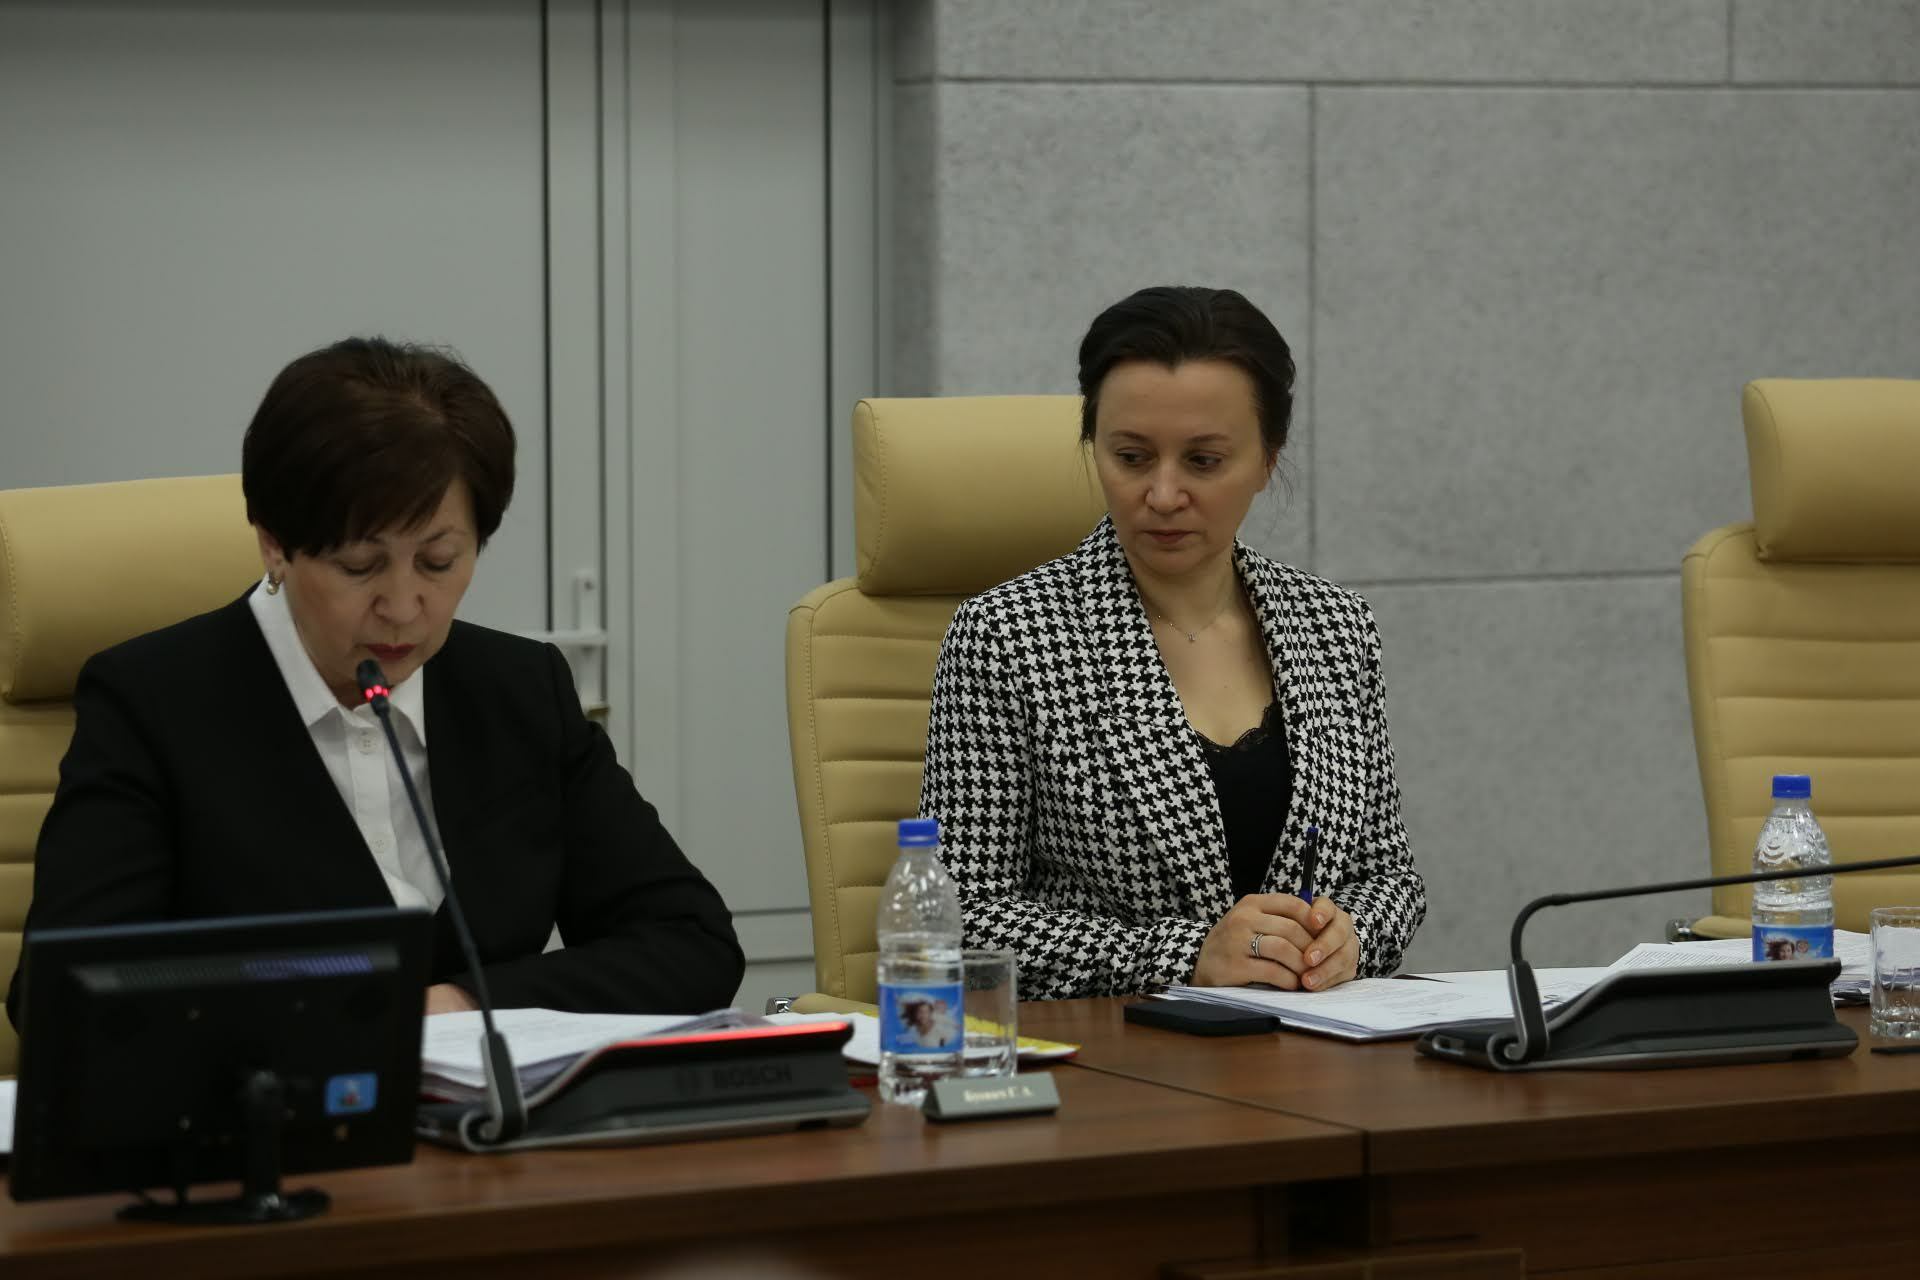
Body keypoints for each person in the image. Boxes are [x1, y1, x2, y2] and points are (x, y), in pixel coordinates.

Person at [6, 337, 743, 1028]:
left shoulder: (519, 690)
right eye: (360, 566)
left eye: (438, 562)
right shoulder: (154, 702)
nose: (402, 606)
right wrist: (354, 1023)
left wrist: (460, 1007)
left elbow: (692, 942)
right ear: (274, 542)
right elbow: (60, 995)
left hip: (495, 1117)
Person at [919, 286, 1425, 1000]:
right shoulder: (1007, 636)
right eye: (1131, 457)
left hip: (1312, 1041)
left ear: (1268, 460)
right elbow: (956, 921)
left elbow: (1389, 876)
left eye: (1203, 461)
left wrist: (1351, 936)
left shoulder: (1334, 626)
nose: (1162, 495)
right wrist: (1185, 955)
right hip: (1120, 1051)